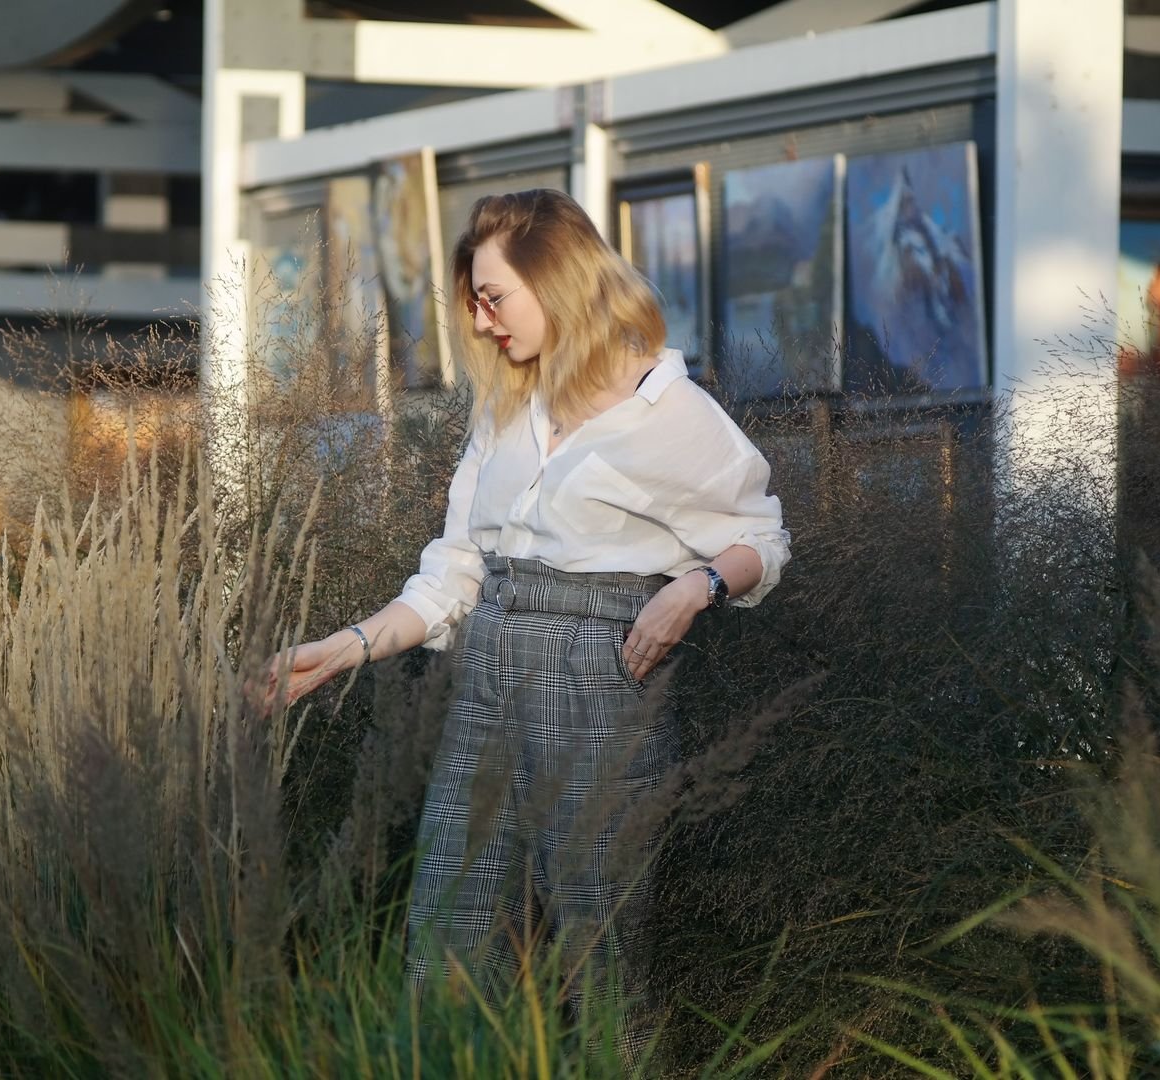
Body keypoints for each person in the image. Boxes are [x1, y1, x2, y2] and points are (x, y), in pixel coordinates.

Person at [264, 188, 791, 1057]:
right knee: (444, 947)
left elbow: (763, 540)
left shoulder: (672, 412)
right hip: (487, 679)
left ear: (558, 282)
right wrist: (346, 648)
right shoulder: (508, 407)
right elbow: (455, 573)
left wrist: (694, 588)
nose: (480, 322)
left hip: (601, 686)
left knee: (600, 971)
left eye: (493, 297)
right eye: (474, 301)